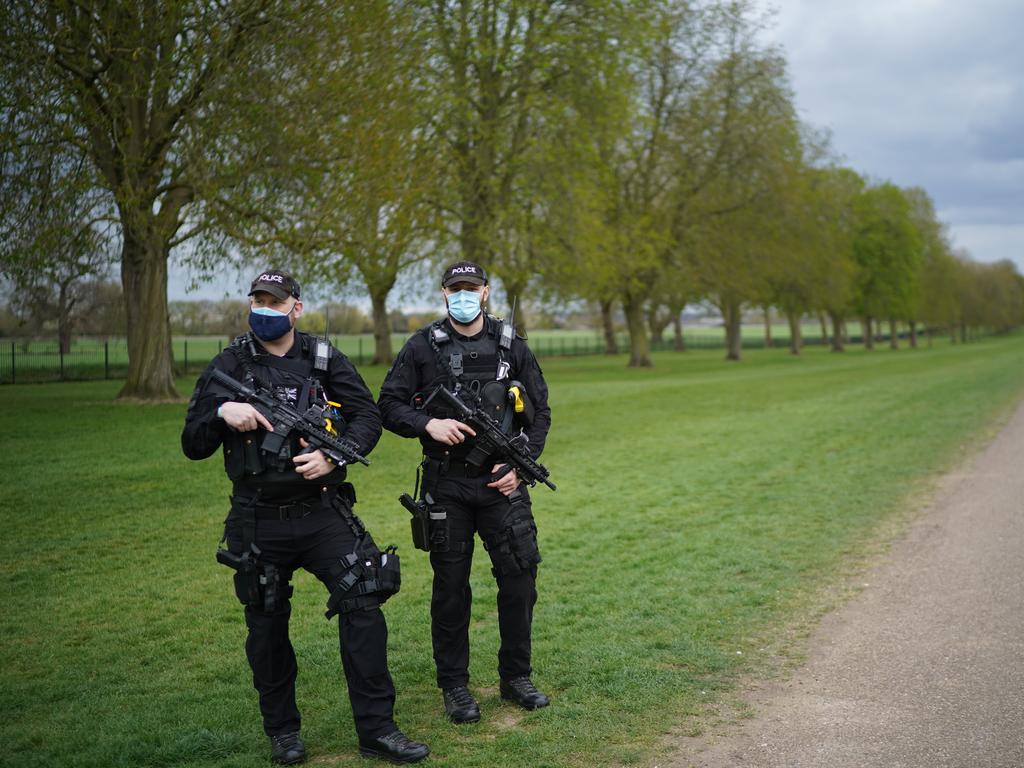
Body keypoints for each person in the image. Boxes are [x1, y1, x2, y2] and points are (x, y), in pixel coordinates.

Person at [181, 269, 429, 765]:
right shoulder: (229, 363)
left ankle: (378, 731)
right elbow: (193, 444)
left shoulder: (323, 359)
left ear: (296, 307)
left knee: (364, 603)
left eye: (275, 302)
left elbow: (368, 416)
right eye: (258, 301)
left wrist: (335, 458)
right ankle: (284, 733)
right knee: (267, 626)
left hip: (322, 512)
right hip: (257, 518)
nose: (265, 310)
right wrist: (221, 412)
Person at [377, 261, 552, 724]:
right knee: (451, 588)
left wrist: (519, 466)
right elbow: (388, 405)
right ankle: (455, 686)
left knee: (519, 580)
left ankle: (516, 677)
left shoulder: (512, 344)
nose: (463, 295)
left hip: (503, 482)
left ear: (487, 292)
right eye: (455, 289)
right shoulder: (421, 346)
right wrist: (428, 422)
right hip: (446, 483)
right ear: (443, 294)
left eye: (471, 288)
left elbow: (541, 412)